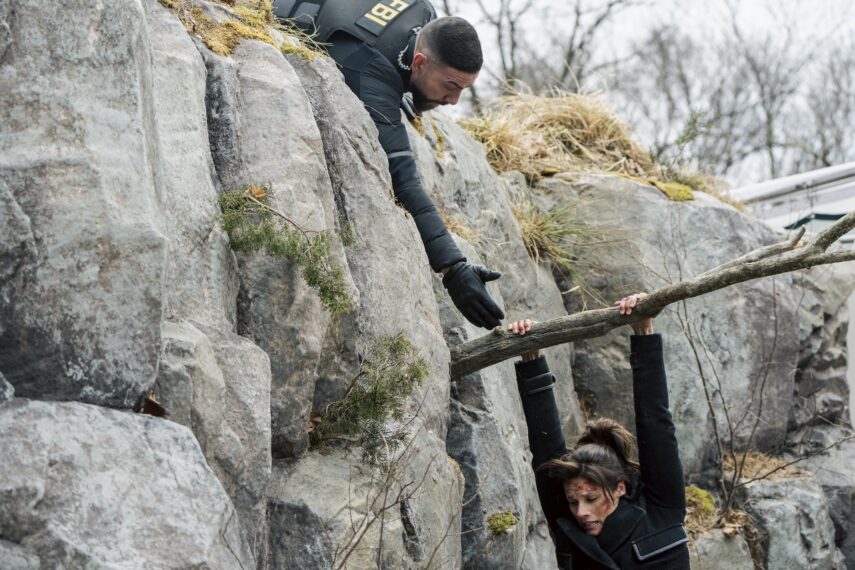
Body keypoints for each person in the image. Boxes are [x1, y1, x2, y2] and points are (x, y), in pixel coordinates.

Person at [272, 0, 505, 329]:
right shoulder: (369, 74)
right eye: (451, 87)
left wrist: (407, 93)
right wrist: (454, 269)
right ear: (420, 63)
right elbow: (404, 183)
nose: (454, 101)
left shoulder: (423, 11)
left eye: (464, 89)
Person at [510, 294, 690, 569]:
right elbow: (545, 447)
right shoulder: (567, 523)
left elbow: (656, 423)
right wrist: (531, 354)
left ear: (620, 488)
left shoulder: (661, 505)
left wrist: (643, 331)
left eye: (591, 498)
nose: (581, 512)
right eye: (574, 501)